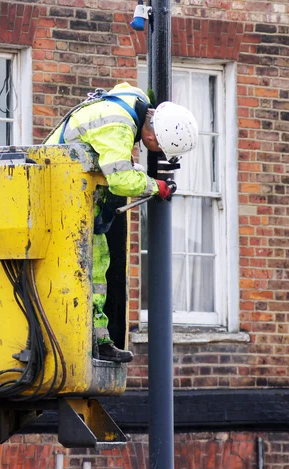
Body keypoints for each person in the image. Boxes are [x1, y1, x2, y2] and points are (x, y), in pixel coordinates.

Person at [43, 82, 198, 363]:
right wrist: (155, 186)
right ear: (152, 135)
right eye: (160, 147)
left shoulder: (135, 101)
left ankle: (99, 341)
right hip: (58, 200)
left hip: (70, 197)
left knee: (97, 268)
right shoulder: (118, 126)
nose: (156, 152)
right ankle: (83, 343)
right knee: (88, 271)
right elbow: (120, 179)